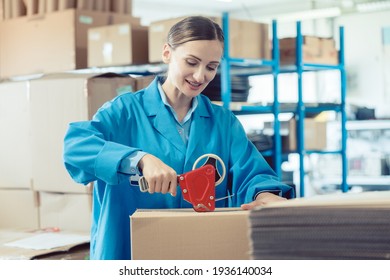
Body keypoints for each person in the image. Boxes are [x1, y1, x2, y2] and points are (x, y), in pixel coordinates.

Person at [63, 16, 295, 260]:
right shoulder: (124, 112)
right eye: (192, 62)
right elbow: (76, 147)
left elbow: (252, 173)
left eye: (211, 66)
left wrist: (264, 194)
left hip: (197, 252)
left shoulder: (223, 123)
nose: (200, 76)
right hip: (128, 253)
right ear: (167, 53)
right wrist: (138, 159)